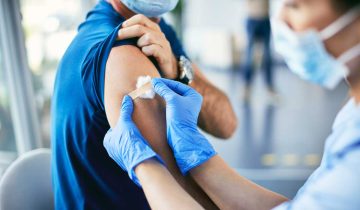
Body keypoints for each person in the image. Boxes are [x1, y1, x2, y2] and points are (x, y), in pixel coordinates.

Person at [103, 0, 360, 209]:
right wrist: (201, 161)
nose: (280, 21)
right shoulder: (352, 115)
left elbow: (228, 124)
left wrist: (145, 165)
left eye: (295, 6)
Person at [51, 0, 237, 209]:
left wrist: (178, 72)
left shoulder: (156, 30)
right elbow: (184, 197)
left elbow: (227, 124)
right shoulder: (122, 52)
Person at [243, 0, 274, 101]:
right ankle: (246, 89)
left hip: (265, 19)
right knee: (249, 56)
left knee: (267, 56)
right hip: (252, 18)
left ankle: (270, 89)